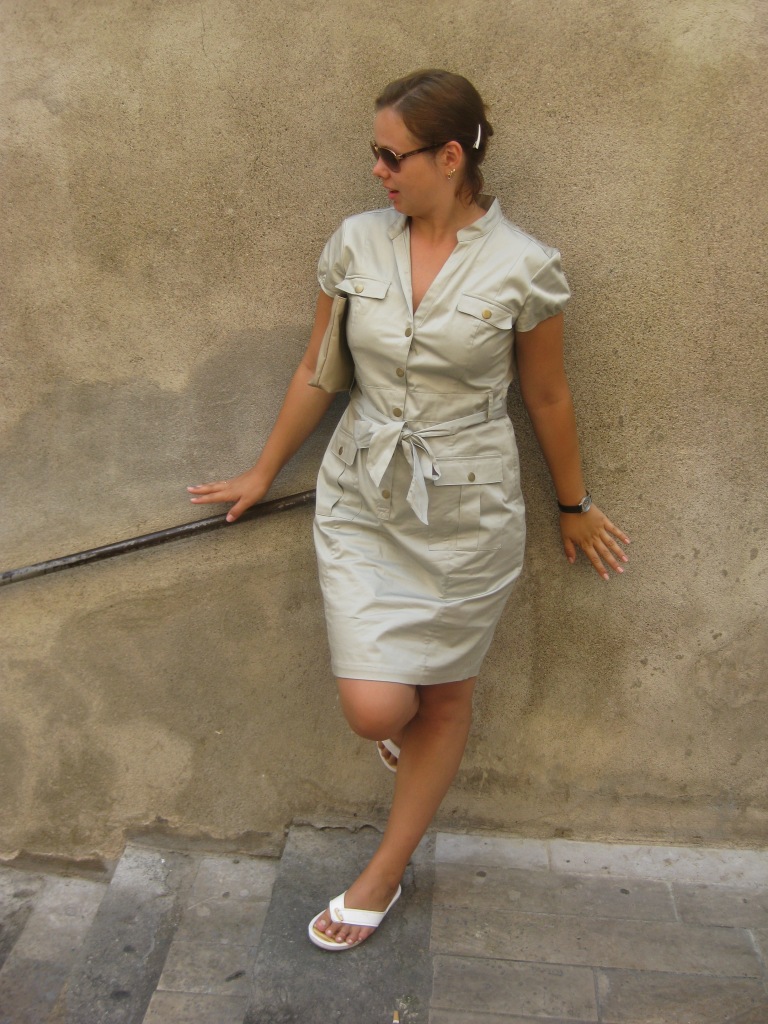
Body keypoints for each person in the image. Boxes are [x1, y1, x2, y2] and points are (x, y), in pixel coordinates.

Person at [188, 69, 629, 951]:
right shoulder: (356, 243)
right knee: (375, 710)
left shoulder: (525, 266)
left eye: (393, 156)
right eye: (375, 154)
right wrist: (264, 471)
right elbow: (318, 368)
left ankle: (384, 873)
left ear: (450, 157)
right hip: (364, 494)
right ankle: (401, 732)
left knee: (446, 696)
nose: (378, 171)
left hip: (468, 513)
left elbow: (547, 397)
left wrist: (573, 503)